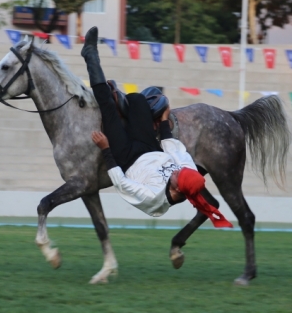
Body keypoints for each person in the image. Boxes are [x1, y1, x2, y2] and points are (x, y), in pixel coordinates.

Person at [81, 26, 232, 228]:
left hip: (127, 159)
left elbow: (122, 183)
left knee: (107, 107)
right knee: (137, 99)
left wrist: (106, 148)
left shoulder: (152, 198)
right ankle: (127, 111)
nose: (176, 171)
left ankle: (90, 54)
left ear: (178, 190)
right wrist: (163, 120)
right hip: (149, 146)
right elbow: (173, 148)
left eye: (177, 176)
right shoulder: (187, 171)